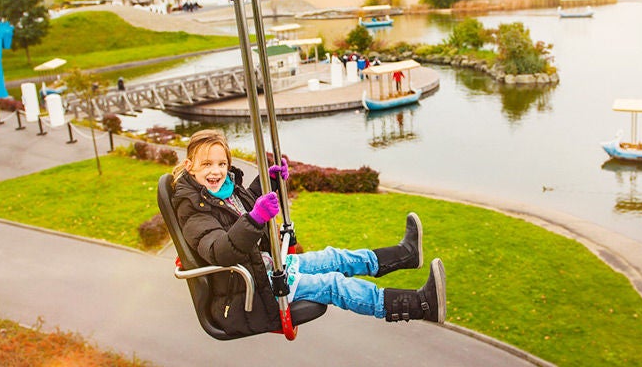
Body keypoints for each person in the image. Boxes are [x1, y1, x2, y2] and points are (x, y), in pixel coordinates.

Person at [172, 129, 446, 338]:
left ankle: (405, 255)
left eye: (221, 163)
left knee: (335, 257)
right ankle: (420, 305)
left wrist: (271, 182)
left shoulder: (225, 190)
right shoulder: (193, 210)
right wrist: (255, 218)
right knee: (334, 285)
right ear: (189, 166)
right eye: (207, 164)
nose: (216, 170)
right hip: (250, 292)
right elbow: (221, 250)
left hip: (267, 267)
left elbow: (245, 207)